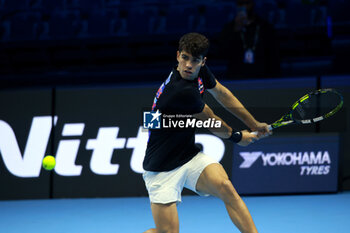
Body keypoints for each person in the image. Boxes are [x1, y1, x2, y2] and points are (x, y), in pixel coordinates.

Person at [143, 32, 270, 233]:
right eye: (184, 58)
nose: (188, 65)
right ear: (177, 55)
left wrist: (253, 123)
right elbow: (212, 121)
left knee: (226, 188)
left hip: (188, 156)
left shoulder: (199, 71)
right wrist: (239, 137)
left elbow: (222, 94)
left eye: (195, 60)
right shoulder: (181, 90)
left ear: (203, 61)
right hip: (161, 167)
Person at [219, 0, 280, 79]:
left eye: (247, 3)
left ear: (253, 4)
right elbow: (223, 52)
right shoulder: (230, 28)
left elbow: (274, 54)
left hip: (262, 75)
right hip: (237, 75)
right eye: (241, 4)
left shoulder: (265, 27)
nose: (244, 7)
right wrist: (236, 29)